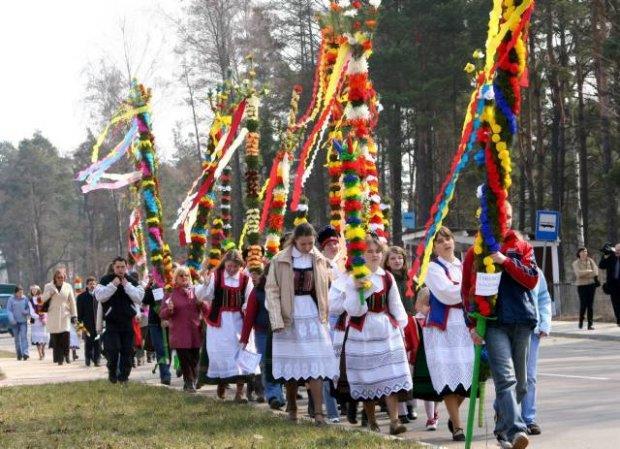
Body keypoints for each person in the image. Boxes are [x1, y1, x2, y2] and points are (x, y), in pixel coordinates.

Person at [462, 202, 539, 449]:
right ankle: (517, 431)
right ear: (490, 218)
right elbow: (466, 292)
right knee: (505, 380)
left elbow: (531, 279)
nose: (504, 220)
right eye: (500, 216)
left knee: (521, 383)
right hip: (494, 323)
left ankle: (502, 428)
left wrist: (505, 261)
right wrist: (472, 326)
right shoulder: (476, 250)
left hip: (522, 320)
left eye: (508, 216)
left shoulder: (521, 246)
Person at [266, 223, 339, 425]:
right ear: (295, 241)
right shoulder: (280, 259)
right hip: (289, 315)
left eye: (310, 243)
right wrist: (276, 319)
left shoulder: (319, 259)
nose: (307, 247)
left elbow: (329, 285)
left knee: (314, 362)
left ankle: (318, 413)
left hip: (313, 313)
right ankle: (292, 408)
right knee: (292, 365)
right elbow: (272, 290)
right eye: (303, 243)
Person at [340, 233, 411, 435]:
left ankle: (394, 420)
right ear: (361, 254)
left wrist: (401, 327)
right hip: (362, 332)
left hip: (385, 330)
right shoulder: (354, 277)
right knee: (368, 378)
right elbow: (354, 310)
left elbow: (396, 304)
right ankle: (371, 419)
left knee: (390, 375)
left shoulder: (386, 277)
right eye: (369, 251)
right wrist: (358, 291)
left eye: (377, 251)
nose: (374, 255)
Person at [423, 227, 473, 441]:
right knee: (448, 378)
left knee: (468, 375)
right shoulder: (433, 268)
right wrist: (470, 289)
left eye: (448, 238)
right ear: (434, 247)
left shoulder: (462, 266)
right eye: (440, 241)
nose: (446, 243)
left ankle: (454, 418)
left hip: (463, 327)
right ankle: (458, 425)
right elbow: (447, 294)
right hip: (443, 328)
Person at [202, 250, 257, 401]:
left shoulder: (246, 280)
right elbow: (205, 296)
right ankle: (222, 382)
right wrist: (205, 284)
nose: (231, 269)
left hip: (238, 322)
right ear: (224, 263)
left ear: (241, 266)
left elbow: (249, 299)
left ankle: (240, 392)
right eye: (229, 266)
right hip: (220, 324)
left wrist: (246, 308)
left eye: (235, 266)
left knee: (241, 355)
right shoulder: (216, 276)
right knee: (221, 355)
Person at [94, 257, 145, 384]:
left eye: (123, 267)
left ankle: (124, 377)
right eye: (118, 267)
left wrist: (127, 286)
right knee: (113, 350)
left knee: (127, 352)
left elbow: (139, 297)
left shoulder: (131, 281)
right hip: (112, 323)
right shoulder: (106, 280)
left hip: (128, 322)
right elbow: (100, 296)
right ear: (114, 267)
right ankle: (112, 371)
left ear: (126, 267)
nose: (120, 270)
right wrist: (113, 285)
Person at [159, 266, 208, 392]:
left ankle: (193, 379)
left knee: (195, 359)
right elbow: (162, 314)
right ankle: (189, 381)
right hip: (180, 333)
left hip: (194, 332)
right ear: (176, 278)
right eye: (181, 275)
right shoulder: (171, 293)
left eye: (186, 275)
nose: (184, 278)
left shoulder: (195, 292)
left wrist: (201, 304)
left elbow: (206, 309)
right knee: (184, 359)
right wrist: (169, 309)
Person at [240, 265, 284, 407]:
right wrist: (244, 339)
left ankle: (280, 395)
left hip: (281, 333)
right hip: (262, 333)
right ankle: (273, 396)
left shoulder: (285, 289)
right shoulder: (257, 291)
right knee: (267, 364)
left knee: (280, 364)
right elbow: (249, 317)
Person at [384, 245, 418, 424]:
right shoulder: (386, 280)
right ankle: (401, 410)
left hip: (411, 325)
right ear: (387, 262)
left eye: (400, 258)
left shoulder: (412, 279)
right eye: (393, 258)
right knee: (398, 368)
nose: (397, 261)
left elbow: (420, 301)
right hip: (394, 324)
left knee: (411, 367)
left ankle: (412, 404)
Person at [315, 225, 344, 423]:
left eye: (336, 243)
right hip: (323, 320)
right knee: (326, 367)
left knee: (340, 366)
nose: (334, 247)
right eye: (330, 244)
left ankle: (342, 404)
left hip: (339, 321)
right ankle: (331, 411)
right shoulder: (319, 265)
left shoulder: (338, 268)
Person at [521, 267, 552, 435]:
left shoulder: (536, 271)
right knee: (510, 378)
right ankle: (507, 415)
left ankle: (529, 419)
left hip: (532, 330)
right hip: (509, 330)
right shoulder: (502, 265)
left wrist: (545, 323)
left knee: (530, 377)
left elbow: (543, 297)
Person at [407, 287, 440, 431]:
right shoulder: (414, 321)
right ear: (418, 304)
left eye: (431, 304)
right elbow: (408, 340)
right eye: (425, 304)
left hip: (436, 358)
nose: (429, 307)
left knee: (438, 391)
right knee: (427, 390)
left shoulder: (437, 319)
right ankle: (430, 418)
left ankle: (434, 412)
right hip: (420, 360)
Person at [41, 268, 77, 365]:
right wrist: (50, 292)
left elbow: (72, 302)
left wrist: (74, 315)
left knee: (66, 336)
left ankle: (66, 354)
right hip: (53, 315)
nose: (61, 279)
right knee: (56, 338)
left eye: (62, 277)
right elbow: (42, 299)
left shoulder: (68, 286)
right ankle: (59, 358)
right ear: (55, 278)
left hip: (65, 314)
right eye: (59, 277)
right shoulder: (48, 286)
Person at [142, 280, 171, 385]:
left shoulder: (171, 283)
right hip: (155, 323)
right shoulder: (154, 286)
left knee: (168, 349)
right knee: (160, 349)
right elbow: (145, 301)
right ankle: (165, 375)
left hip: (169, 322)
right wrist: (149, 288)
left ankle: (168, 370)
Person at [76, 276, 101, 367]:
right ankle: (88, 357)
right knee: (88, 342)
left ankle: (97, 359)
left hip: (98, 323)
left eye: (94, 284)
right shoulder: (81, 297)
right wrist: (79, 327)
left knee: (97, 342)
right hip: (87, 324)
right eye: (90, 284)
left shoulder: (99, 296)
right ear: (87, 285)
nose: (92, 286)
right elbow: (79, 314)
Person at [572, 247, 599, 330]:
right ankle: (581, 320)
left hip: (591, 285)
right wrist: (589, 271)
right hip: (581, 285)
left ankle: (590, 324)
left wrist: (587, 273)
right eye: (582, 252)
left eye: (586, 251)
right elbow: (578, 274)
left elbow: (596, 272)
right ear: (579, 253)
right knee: (583, 304)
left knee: (590, 305)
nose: (584, 253)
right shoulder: (575, 263)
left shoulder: (590, 261)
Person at [7, 286, 31, 361]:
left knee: (23, 337)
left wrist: (26, 312)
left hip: (23, 321)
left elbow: (29, 308)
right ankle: (19, 353)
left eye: (22, 292)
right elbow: (9, 310)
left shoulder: (25, 299)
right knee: (17, 339)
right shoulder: (11, 299)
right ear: (16, 293)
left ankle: (25, 353)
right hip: (14, 323)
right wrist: (12, 319)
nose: (21, 294)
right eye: (20, 292)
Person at [598, 242, 620, 326]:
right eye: (616, 250)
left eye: (619, 251)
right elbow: (601, 265)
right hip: (613, 285)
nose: (617, 252)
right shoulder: (611, 257)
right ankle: (619, 320)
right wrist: (605, 255)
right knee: (615, 304)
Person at [28, 285, 49, 360]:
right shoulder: (30, 301)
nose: (33, 291)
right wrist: (38, 316)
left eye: (35, 290)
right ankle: (40, 354)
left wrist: (44, 316)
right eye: (32, 290)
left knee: (44, 337)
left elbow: (46, 308)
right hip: (35, 321)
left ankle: (43, 349)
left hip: (43, 321)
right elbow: (31, 311)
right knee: (37, 338)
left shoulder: (42, 298)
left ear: (38, 290)